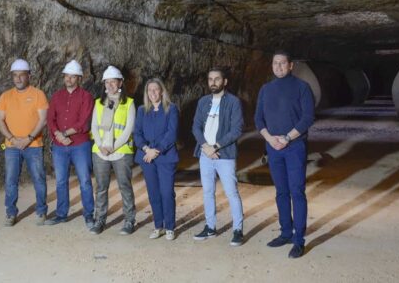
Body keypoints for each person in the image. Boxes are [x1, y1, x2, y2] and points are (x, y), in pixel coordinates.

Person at [255, 51, 315, 258]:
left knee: (296, 191)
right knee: (281, 192)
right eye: (275, 63)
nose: (278, 66)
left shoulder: (302, 88)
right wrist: (270, 139)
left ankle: (299, 240)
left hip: (294, 146)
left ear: (291, 65)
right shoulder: (265, 89)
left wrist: (287, 138)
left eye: (282, 63)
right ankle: (285, 233)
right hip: (273, 147)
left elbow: (307, 118)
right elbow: (258, 119)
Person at [191, 67, 245, 247]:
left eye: (217, 79)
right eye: (210, 79)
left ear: (225, 81)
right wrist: (206, 147)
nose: (213, 82)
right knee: (208, 192)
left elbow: (236, 130)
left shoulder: (234, 102)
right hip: (205, 154)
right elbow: (196, 127)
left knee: (231, 193)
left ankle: (238, 230)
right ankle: (210, 226)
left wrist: (216, 146)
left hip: (225, 155)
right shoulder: (203, 101)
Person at [0, 59, 49, 227]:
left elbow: (43, 120)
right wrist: (12, 139)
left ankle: (41, 211)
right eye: (15, 75)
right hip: (12, 146)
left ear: (29, 76)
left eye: (21, 75)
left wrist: (28, 138)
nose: (18, 79)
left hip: (33, 145)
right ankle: (10, 213)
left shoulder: (38, 94)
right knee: (11, 180)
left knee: (38, 179)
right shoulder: (5, 96)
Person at [44, 60, 95, 229]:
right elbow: (50, 119)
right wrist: (58, 134)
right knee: (60, 181)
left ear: (79, 78)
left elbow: (84, 121)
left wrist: (65, 134)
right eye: (67, 76)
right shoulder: (57, 96)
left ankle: (89, 215)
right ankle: (61, 214)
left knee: (85, 180)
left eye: (73, 77)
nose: (69, 79)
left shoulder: (86, 97)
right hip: (59, 146)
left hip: (80, 145)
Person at [89, 65, 137, 235]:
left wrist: (113, 147)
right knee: (101, 187)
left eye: (113, 82)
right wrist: (102, 145)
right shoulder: (99, 103)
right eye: (106, 82)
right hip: (100, 151)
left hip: (121, 152)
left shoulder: (129, 103)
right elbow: (94, 126)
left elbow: (128, 129)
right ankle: (99, 219)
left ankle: (129, 220)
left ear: (120, 83)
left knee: (124, 186)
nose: (109, 85)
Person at [133, 78, 179, 241]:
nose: (152, 93)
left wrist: (157, 150)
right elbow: (137, 133)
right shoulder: (141, 110)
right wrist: (146, 149)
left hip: (165, 157)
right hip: (147, 157)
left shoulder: (171, 109)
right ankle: (158, 226)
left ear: (161, 91)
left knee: (166, 193)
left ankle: (169, 227)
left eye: (155, 90)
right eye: (149, 90)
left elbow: (171, 134)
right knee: (153, 193)